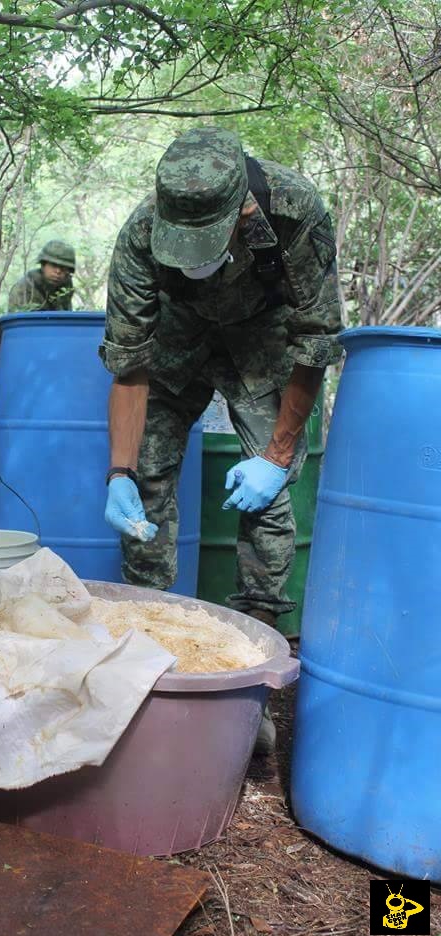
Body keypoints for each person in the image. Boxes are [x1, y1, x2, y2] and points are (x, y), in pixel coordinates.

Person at [99, 127, 343, 753]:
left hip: (264, 338)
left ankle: (251, 676)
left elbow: (314, 342)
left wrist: (278, 455)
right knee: (147, 475)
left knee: (269, 497)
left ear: (243, 207)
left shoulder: (296, 210)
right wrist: (119, 472)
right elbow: (129, 363)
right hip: (177, 339)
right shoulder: (138, 235)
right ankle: (143, 655)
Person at [8, 240, 76, 312]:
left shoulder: (66, 287)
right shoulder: (25, 288)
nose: (58, 271)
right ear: (43, 265)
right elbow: (18, 320)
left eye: (63, 267)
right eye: (53, 265)